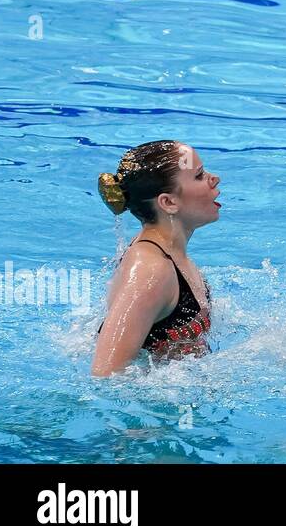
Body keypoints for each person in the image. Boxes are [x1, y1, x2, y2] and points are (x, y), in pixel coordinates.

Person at [90, 140, 220, 377]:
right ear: (169, 202)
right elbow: (105, 375)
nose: (215, 179)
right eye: (200, 175)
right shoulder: (151, 271)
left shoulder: (170, 253)